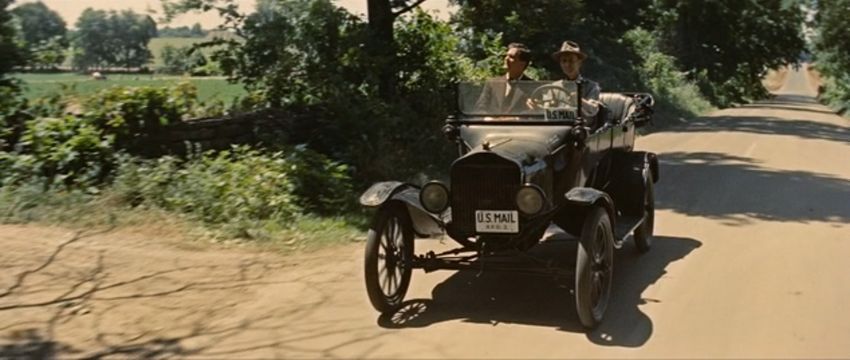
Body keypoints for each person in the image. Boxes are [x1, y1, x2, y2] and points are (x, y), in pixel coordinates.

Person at [542, 40, 601, 120]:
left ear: (579, 63)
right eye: (564, 61)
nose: (567, 64)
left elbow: (593, 110)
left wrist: (579, 100)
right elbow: (546, 110)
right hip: (558, 128)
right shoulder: (554, 87)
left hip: (581, 128)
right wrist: (539, 107)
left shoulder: (591, 86)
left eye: (571, 60)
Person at [473, 43, 535, 114]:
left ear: (522, 63)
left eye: (511, 57)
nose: (506, 59)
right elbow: (479, 108)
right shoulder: (492, 83)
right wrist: (488, 119)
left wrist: (515, 120)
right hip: (492, 124)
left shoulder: (532, 86)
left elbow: (534, 113)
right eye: (506, 56)